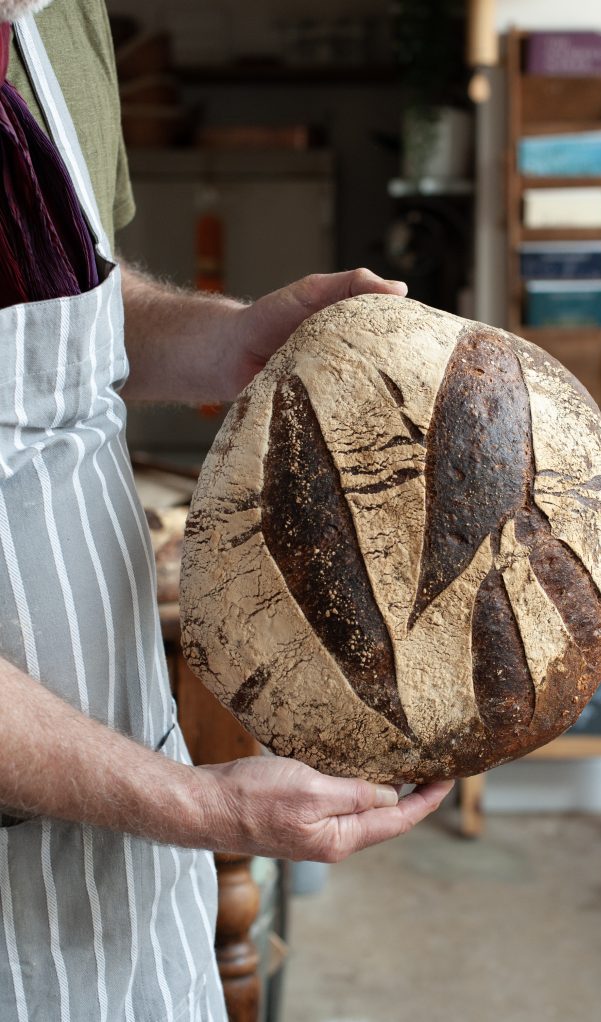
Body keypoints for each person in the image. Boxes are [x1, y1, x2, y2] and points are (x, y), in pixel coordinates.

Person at [0, 1, 454, 1020]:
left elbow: (77, 304)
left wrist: (225, 338)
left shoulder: (58, 21)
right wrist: (198, 804)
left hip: (128, 785)